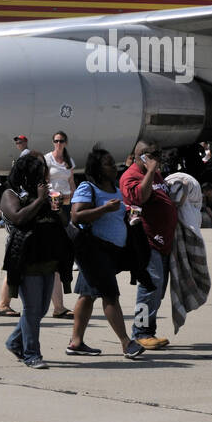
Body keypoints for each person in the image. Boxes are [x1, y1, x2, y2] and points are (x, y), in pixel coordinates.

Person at [66, 146, 145, 359]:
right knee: (110, 295)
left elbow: (116, 216)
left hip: (111, 252)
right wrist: (104, 209)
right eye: (108, 163)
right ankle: (126, 343)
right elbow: (76, 216)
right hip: (94, 251)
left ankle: (75, 342)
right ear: (98, 169)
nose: (114, 166)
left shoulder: (115, 189)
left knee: (88, 295)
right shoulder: (88, 187)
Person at [0, 154, 72, 369]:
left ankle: (15, 341)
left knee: (40, 310)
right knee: (32, 309)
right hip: (26, 259)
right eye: (42, 170)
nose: (46, 174)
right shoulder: (10, 194)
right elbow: (19, 218)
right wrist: (40, 200)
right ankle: (32, 354)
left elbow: (64, 222)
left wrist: (56, 207)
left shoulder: (43, 193)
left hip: (47, 257)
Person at [120, 141, 178, 350]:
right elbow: (140, 197)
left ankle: (148, 330)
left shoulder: (155, 174)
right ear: (143, 156)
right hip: (146, 240)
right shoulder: (131, 176)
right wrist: (151, 171)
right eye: (155, 154)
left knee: (158, 289)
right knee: (149, 286)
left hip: (162, 241)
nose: (159, 157)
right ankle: (141, 332)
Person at [43, 132, 76, 317]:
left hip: (66, 203)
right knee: (53, 254)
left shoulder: (69, 160)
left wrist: (75, 200)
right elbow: (46, 182)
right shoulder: (48, 159)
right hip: (52, 203)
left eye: (61, 141)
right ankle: (57, 306)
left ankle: (58, 306)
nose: (58, 144)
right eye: (55, 141)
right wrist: (52, 198)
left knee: (61, 249)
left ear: (65, 142)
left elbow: (71, 182)